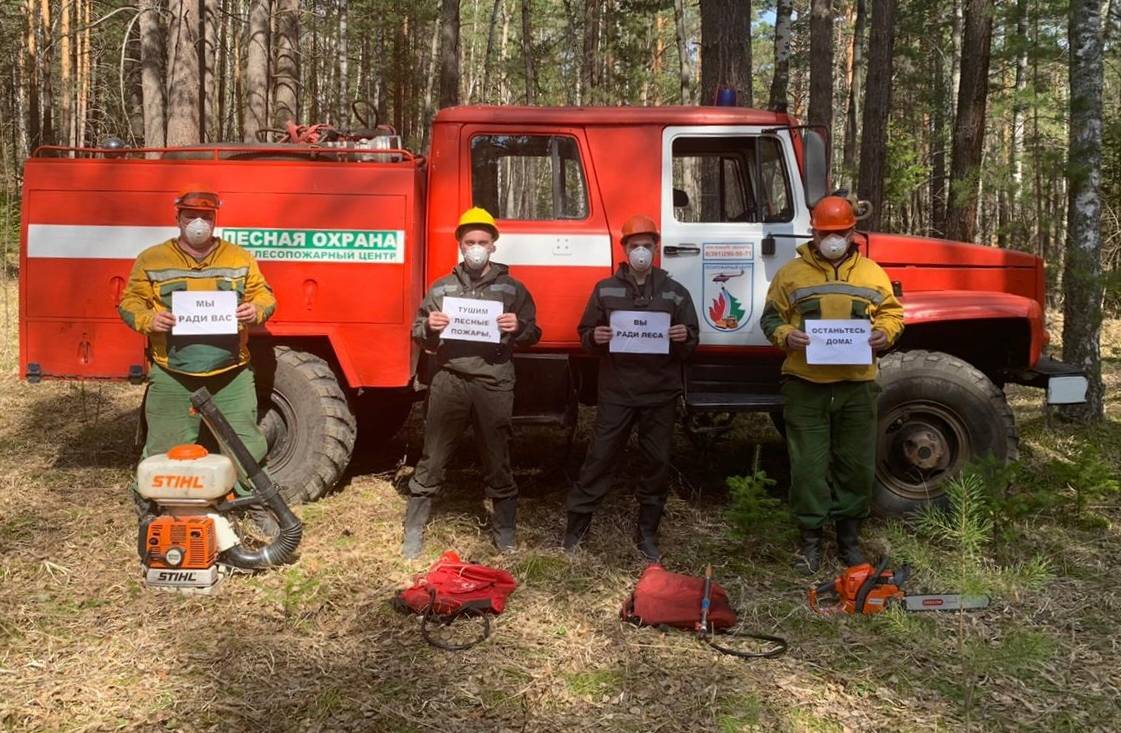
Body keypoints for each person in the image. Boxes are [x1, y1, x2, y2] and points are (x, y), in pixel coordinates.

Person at [760, 195, 904, 574]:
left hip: (857, 386)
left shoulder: (872, 272)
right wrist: (787, 336)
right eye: (826, 233)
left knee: (855, 465)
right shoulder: (791, 273)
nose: (833, 239)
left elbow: (892, 314)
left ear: (853, 231)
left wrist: (884, 334)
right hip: (805, 385)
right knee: (808, 465)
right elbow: (770, 320)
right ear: (815, 233)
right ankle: (810, 541)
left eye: (840, 233)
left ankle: (849, 541)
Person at [118, 187, 277, 508]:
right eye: (191, 216)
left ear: (215, 220)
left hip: (231, 373)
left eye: (206, 216)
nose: (199, 223)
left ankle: (249, 504)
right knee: (165, 447)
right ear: (177, 218)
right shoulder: (152, 259)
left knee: (246, 446)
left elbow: (265, 296)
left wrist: (256, 310)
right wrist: (149, 319)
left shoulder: (239, 257)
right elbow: (129, 302)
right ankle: (154, 508)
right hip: (172, 372)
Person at [402, 207, 541, 559]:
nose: (476, 247)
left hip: (494, 380)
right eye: (469, 242)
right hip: (449, 379)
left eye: (482, 241)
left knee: (497, 457)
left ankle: (505, 532)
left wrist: (518, 328)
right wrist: (431, 327)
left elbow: (533, 333)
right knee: (433, 456)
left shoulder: (512, 289)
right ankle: (413, 531)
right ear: (460, 246)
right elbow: (418, 332)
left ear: (493, 245)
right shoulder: (442, 287)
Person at [563, 214, 699, 562]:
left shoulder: (674, 291)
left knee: (657, 463)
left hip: (660, 393)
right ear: (624, 249)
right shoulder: (605, 289)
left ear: (656, 249)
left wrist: (684, 337)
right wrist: (595, 336)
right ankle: (576, 531)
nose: (641, 251)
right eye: (634, 245)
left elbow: (692, 341)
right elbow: (585, 335)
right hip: (617, 392)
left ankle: (648, 534)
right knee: (599, 458)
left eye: (647, 245)